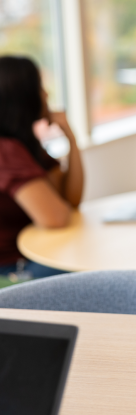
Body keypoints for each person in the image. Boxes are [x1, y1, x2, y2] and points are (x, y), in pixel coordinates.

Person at [0, 56, 84, 279]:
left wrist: (71, 140)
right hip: (11, 272)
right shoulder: (6, 150)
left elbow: (71, 199)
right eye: (39, 87)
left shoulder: (24, 144)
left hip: (30, 257)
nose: (46, 95)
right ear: (22, 98)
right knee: (89, 264)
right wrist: (58, 206)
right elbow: (56, 218)